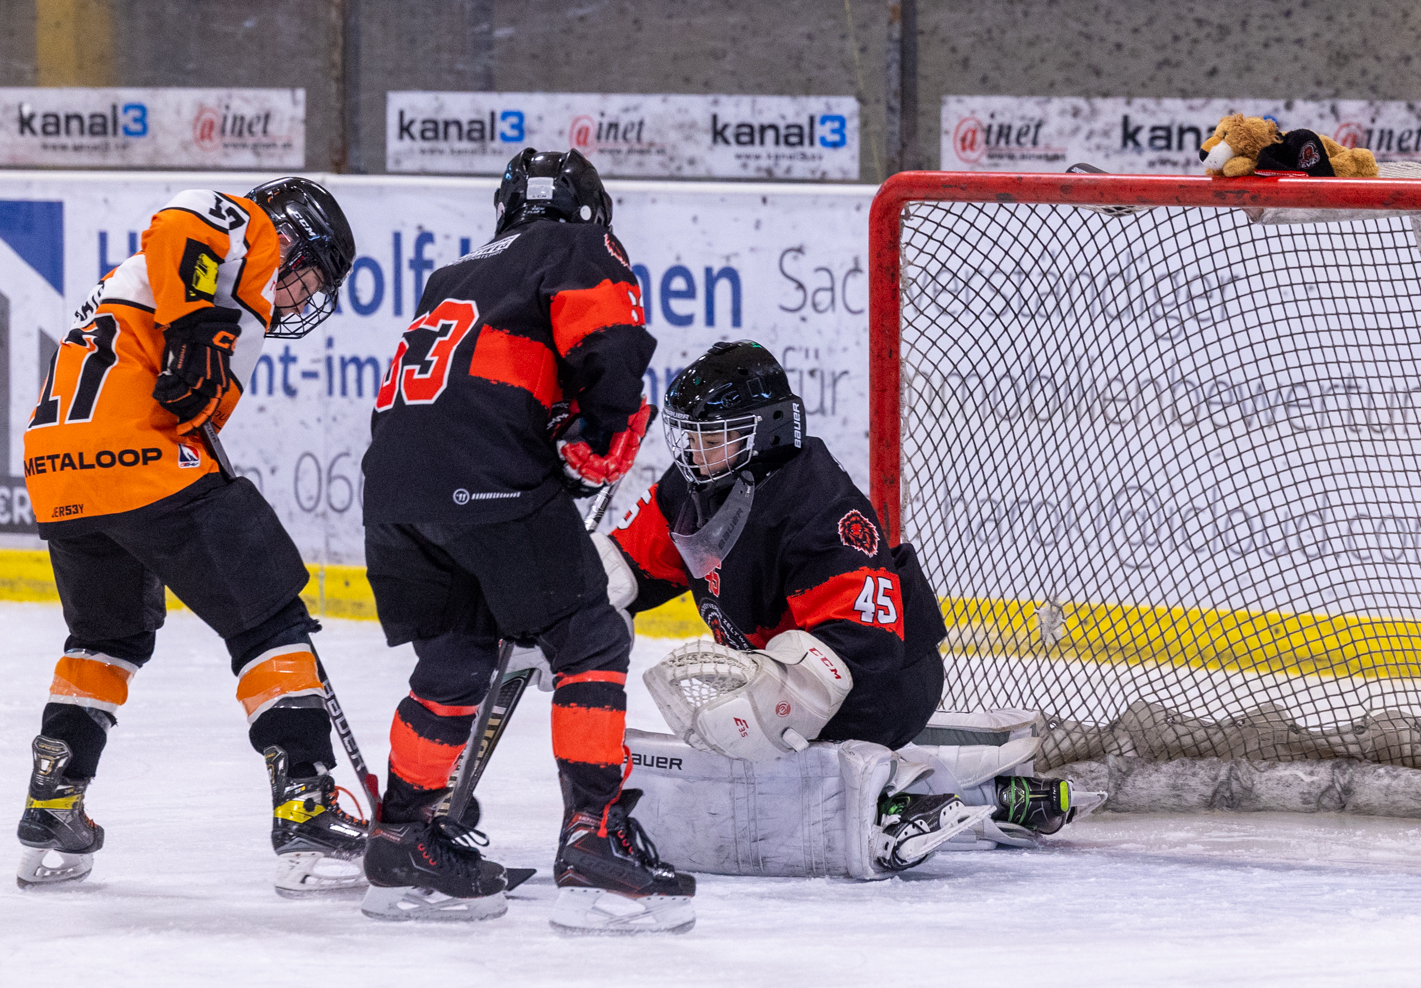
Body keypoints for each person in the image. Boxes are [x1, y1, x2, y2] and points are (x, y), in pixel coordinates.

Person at [599, 340, 1098, 877]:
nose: (695, 454)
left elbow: (861, 644)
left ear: (764, 433)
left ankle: (901, 797)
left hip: (887, 680)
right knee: (756, 732)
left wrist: (775, 705)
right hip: (793, 664)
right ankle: (989, 793)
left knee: (769, 738)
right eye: (692, 437)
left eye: (713, 438)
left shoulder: (821, 506)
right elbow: (630, 567)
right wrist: (568, 613)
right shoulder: (691, 489)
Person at [358, 147, 694, 933]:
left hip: (394, 494)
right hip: (489, 479)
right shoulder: (578, 244)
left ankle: (401, 838)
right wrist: (601, 430)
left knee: (457, 660)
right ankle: (593, 838)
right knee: (591, 636)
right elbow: (611, 346)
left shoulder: (452, 275)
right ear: (590, 209)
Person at [15, 178, 365, 897]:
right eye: (309, 278)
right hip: (138, 460)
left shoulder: (168, 288)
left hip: (59, 470)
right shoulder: (244, 231)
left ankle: (53, 800)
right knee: (268, 619)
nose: (301, 297)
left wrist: (196, 333)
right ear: (292, 241)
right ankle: (305, 803)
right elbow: (182, 216)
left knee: (106, 637)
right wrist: (198, 330)